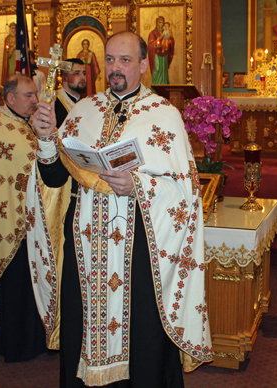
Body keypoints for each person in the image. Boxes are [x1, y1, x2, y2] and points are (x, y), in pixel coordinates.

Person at [28, 31, 212, 387]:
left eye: (125, 60)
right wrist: (47, 138)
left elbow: (185, 192)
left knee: (142, 339)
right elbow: (53, 180)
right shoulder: (82, 112)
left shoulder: (164, 115)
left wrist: (138, 186)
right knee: (82, 331)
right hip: (85, 256)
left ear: (144, 64)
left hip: (140, 255)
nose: (115, 68)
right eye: (109, 59)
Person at [0, 74, 48, 362]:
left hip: (30, 221)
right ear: (11, 98)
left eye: (34, 94)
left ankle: (35, 340)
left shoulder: (23, 125)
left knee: (33, 283)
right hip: (8, 224)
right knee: (15, 283)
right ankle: (15, 344)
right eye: (28, 95)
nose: (34, 100)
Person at [55, 58, 87, 127]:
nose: (83, 77)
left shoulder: (85, 102)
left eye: (84, 73)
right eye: (77, 73)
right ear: (64, 78)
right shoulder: (55, 104)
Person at [147, 16, 175, 84]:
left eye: (162, 22)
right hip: (156, 54)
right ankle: (155, 85)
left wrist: (170, 41)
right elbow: (150, 45)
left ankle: (164, 84)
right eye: (160, 22)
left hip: (164, 54)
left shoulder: (166, 32)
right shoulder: (153, 33)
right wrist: (156, 43)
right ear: (157, 23)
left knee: (163, 70)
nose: (161, 24)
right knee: (157, 69)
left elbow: (171, 41)